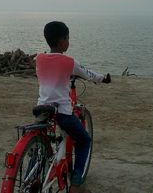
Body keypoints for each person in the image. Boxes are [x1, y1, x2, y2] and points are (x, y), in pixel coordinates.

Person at [36, 21, 111, 193]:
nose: (69, 41)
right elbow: (88, 74)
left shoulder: (39, 59)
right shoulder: (69, 62)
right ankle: (76, 185)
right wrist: (104, 79)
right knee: (84, 141)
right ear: (62, 41)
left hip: (41, 109)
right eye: (68, 38)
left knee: (46, 140)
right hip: (61, 112)